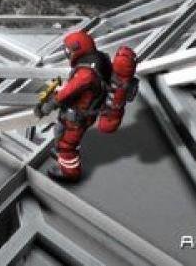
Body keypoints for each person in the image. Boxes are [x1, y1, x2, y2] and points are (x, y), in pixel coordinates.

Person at [37, 31, 137, 183]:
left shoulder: (86, 74)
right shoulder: (99, 58)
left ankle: (70, 172)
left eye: (68, 51)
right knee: (59, 131)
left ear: (77, 49)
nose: (67, 54)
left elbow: (69, 91)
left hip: (79, 116)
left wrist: (49, 105)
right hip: (81, 110)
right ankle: (63, 155)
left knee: (67, 144)